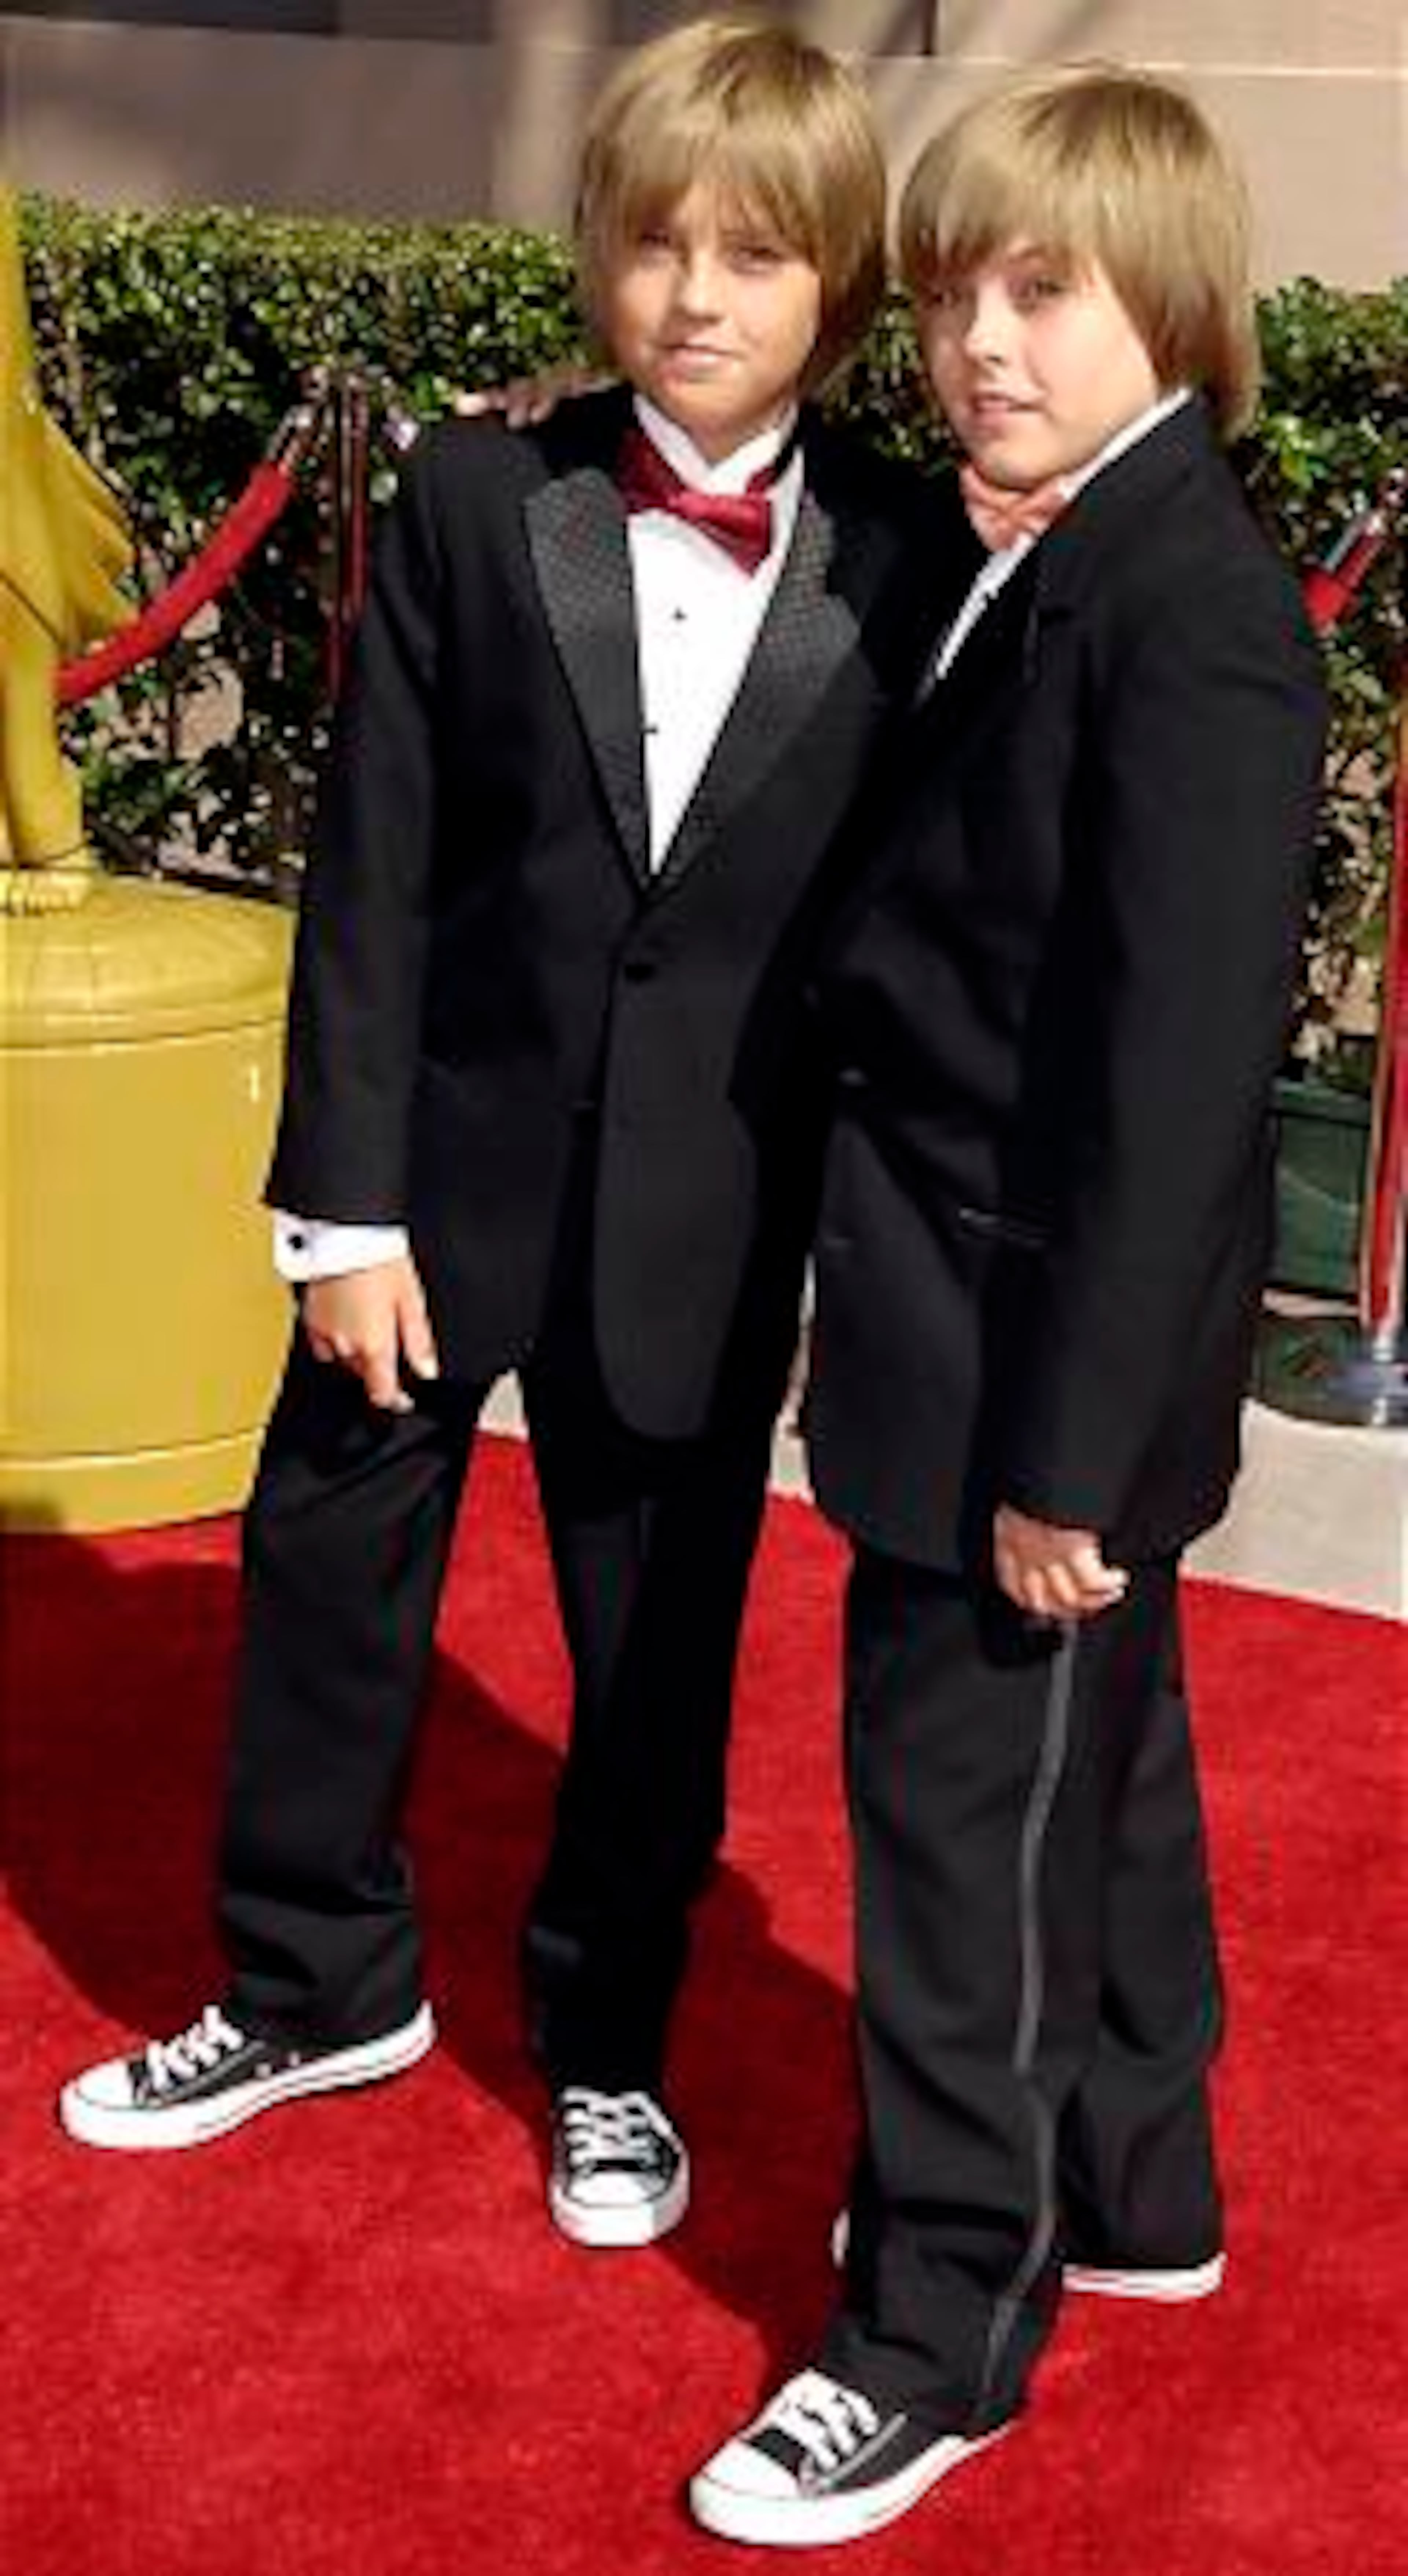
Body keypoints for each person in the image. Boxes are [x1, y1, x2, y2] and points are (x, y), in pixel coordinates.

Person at [57, 18, 950, 2250]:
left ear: (838, 283)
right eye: (657, 245)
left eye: (757, 256)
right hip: (432, 1191)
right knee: (327, 1583)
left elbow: (913, 960)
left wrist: (869, 1273)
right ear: (595, 259)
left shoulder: (920, 562)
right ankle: (305, 1978)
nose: (699, 297)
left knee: (655, 1663)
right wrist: (334, 1205)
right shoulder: (482, 500)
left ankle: (612, 2048)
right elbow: (367, 871)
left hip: (715, 1221)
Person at [687, 63, 1327, 2547]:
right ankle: (1139, 2186)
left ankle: (940, 2321)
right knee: (1111, 1778)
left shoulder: (1189, 622)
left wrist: (1067, 1454)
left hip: (1024, 1356)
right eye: (954, 293)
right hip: (983, 1315)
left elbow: (1173, 1102)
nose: (977, 342)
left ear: (1163, 298)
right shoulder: (1069, 545)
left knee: (961, 1829)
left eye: (1039, 291)